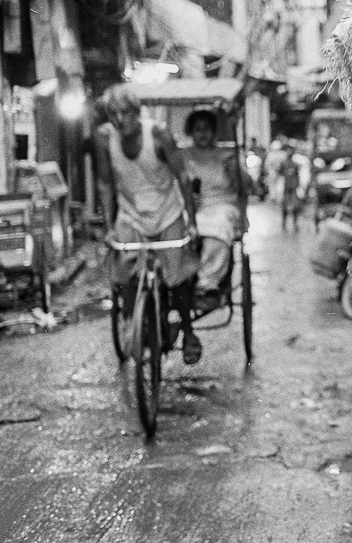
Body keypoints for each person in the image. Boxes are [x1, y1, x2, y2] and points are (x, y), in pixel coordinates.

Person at [93, 85, 203, 365]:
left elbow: (182, 177)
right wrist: (108, 227)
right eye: (113, 114)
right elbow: (105, 184)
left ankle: (188, 332)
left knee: (177, 277)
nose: (120, 120)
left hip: (167, 214)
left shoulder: (158, 134)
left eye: (125, 113)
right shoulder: (105, 139)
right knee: (126, 274)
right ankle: (134, 322)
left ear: (136, 112)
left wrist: (191, 223)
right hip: (131, 216)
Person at [182, 109, 243, 311]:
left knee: (218, 226)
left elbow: (243, 186)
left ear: (214, 131)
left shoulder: (226, 155)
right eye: (197, 129)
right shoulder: (182, 155)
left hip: (222, 205)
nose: (202, 134)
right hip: (192, 206)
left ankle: (208, 285)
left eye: (206, 129)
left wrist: (234, 168)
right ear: (191, 132)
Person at [276, 142, 310, 232]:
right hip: (286, 188)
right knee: (284, 206)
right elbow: (279, 174)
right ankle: (284, 223)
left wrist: (299, 187)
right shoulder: (283, 163)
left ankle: (295, 224)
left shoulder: (295, 164)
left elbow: (299, 176)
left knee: (295, 206)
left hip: (294, 188)